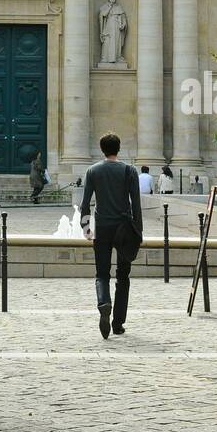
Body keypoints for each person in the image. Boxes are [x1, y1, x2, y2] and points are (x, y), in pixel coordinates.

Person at [81, 132, 143, 340]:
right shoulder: (129, 171)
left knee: (102, 274)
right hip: (124, 228)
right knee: (123, 277)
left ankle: (103, 303)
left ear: (102, 149)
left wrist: (86, 228)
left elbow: (85, 203)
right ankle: (118, 324)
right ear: (118, 149)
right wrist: (138, 231)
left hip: (103, 228)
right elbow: (136, 204)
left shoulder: (93, 171)